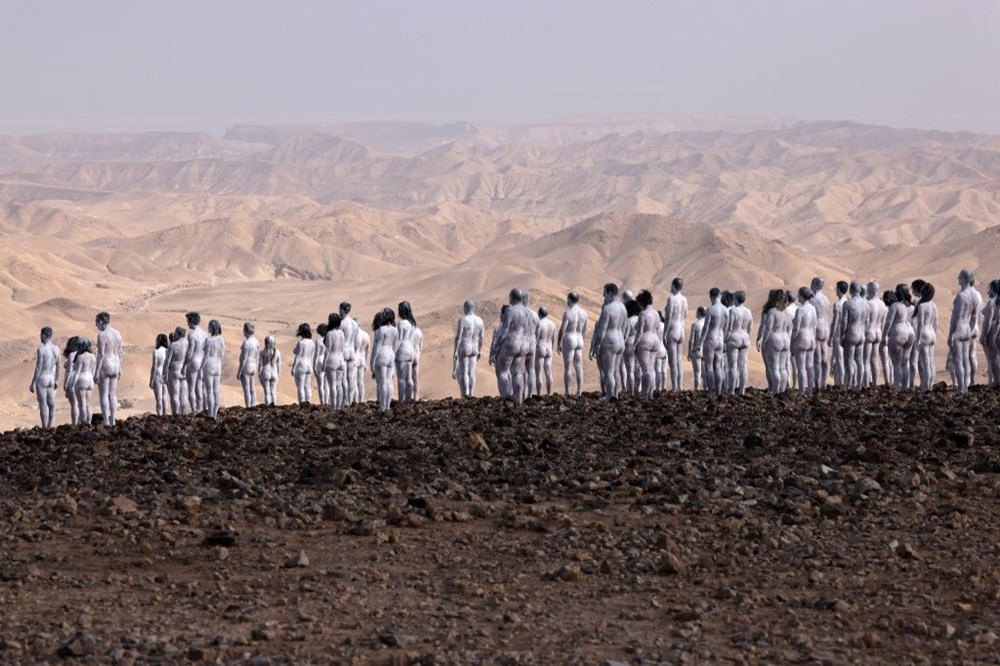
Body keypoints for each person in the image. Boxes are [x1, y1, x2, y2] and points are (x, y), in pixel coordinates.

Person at [492, 289, 537, 405]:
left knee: (502, 371)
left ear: (512, 298)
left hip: (511, 343)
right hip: (524, 345)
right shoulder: (528, 312)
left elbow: (503, 331)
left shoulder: (510, 311)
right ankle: (518, 400)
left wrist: (495, 349)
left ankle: (506, 399)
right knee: (517, 373)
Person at [589, 283, 628, 400]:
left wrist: (596, 345)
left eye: (604, 293)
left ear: (610, 293)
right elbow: (625, 327)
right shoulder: (623, 308)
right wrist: (623, 340)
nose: (603, 296)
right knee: (616, 371)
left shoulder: (607, 309)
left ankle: (609, 396)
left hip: (610, 341)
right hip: (620, 341)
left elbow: (602, 330)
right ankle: (615, 394)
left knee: (609, 371)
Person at [949, 269, 978, 393]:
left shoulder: (962, 296)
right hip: (968, 329)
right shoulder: (975, 296)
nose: (957, 278)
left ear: (964, 279)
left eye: (959, 277)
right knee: (966, 359)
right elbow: (975, 316)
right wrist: (971, 331)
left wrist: (951, 334)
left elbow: (956, 317)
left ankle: (961, 388)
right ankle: (965, 386)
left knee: (958, 360)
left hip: (959, 329)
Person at [758, 289, 792, 393]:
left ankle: (775, 390)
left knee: (774, 367)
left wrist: (764, 342)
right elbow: (790, 328)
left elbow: (768, 328)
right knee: (783, 368)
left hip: (775, 338)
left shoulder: (772, 312)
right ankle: (782, 391)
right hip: (786, 339)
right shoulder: (787, 313)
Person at [885, 284, 917, 391]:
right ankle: (905, 387)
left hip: (898, 332)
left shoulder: (895, 306)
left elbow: (889, 322)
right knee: (905, 363)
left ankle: (898, 388)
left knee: (897, 364)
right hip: (910, 333)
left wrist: (884, 335)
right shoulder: (911, 307)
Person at [95, 311, 123, 426]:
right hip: (116, 364)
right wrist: (120, 367)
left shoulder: (102, 335)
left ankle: (106, 420)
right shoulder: (118, 333)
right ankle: (113, 420)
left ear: (101, 321)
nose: (96, 325)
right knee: (112, 394)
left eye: (96, 322)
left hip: (106, 364)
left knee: (104, 394)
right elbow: (120, 352)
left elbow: (101, 354)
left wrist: (96, 372)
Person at [557, 291, 588, 396]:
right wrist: (582, 339)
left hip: (570, 338)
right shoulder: (584, 313)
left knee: (568, 366)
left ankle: (567, 391)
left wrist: (558, 343)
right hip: (579, 338)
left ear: (569, 300)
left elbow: (563, 329)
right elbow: (585, 330)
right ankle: (579, 391)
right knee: (579, 366)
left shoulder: (568, 313)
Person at [453, 300, 485, 398]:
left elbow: (458, 337)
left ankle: (465, 394)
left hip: (465, 346)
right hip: (475, 347)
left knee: (464, 372)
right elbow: (482, 337)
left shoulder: (463, 320)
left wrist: (455, 351)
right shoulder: (480, 321)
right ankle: (471, 393)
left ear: (465, 308)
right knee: (472, 372)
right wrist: (480, 349)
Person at [699, 288, 729, 397]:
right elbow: (726, 327)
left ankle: (711, 392)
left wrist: (699, 343)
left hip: (711, 338)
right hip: (720, 339)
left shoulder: (710, 310)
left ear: (711, 297)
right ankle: (719, 391)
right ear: (720, 296)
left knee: (709, 366)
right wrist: (724, 339)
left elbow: (706, 328)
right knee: (718, 366)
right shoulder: (726, 310)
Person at [30, 326, 61, 428]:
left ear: (44, 335)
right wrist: (56, 379)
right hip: (51, 378)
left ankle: (44, 427)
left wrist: (33, 382)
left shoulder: (41, 350)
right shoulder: (56, 349)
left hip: (42, 378)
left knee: (43, 404)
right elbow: (58, 366)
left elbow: (38, 367)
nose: (40, 337)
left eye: (41, 335)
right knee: (51, 404)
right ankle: (51, 425)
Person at [632, 290, 661, 399]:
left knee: (645, 370)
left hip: (646, 340)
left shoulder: (643, 314)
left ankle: (644, 395)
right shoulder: (656, 314)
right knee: (651, 369)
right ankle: (650, 394)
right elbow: (658, 329)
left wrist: (634, 345)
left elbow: (640, 331)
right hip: (655, 340)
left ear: (641, 302)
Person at [791, 287, 818, 396]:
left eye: (799, 294)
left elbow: (796, 328)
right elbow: (815, 326)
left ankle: (802, 391)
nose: (798, 297)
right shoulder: (813, 309)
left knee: (801, 367)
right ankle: (810, 390)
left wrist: (792, 341)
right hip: (811, 337)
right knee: (810, 366)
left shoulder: (800, 310)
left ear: (802, 296)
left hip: (802, 338)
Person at [370, 308, 398, 412]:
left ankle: (382, 406)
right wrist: (393, 355)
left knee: (382, 382)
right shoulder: (395, 330)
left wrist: (372, 362)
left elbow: (376, 347)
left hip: (382, 354)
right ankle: (388, 405)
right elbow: (396, 345)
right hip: (391, 355)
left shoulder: (381, 330)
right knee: (389, 381)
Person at [841, 282, 868, 389]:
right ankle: (859, 385)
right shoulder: (866, 304)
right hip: (862, 334)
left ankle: (848, 384)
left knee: (849, 361)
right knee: (860, 361)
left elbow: (844, 322)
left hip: (852, 333)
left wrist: (842, 335)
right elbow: (867, 321)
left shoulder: (848, 304)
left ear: (850, 291)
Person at [663, 277, 688, 391]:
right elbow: (685, 315)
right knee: (679, 362)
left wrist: (664, 333)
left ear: (673, 286)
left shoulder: (671, 299)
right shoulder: (684, 299)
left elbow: (668, 318)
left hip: (672, 330)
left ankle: (675, 387)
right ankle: (680, 386)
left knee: (672, 363)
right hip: (681, 330)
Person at [725, 291, 753, 395]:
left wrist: (725, 339)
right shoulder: (748, 311)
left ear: (736, 299)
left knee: (732, 366)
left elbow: (729, 328)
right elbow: (750, 327)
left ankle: (732, 390)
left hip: (734, 337)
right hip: (745, 338)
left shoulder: (733, 311)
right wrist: (748, 337)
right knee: (743, 365)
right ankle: (742, 390)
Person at [396, 301, 423, 403]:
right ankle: (409, 399)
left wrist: (393, 352)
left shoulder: (401, 323)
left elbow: (399, 339)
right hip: (411, 351)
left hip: (402, 349)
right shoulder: (413, 324)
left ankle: (401, 400)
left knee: (401, 378)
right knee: (410, 378)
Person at [915, 282, 938, 392]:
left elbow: (920, 324)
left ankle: (925, 387)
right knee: (931, 362)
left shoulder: (922, 306)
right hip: (932, 334)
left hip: (924, 334)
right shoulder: (933, 305)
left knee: (925, 362)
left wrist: (917, 339)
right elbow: (936, 322)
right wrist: (936, 335)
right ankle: (930, 385)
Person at [810, 277, 832, 389]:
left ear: (814, 284)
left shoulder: (812, 299)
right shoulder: (826, 299)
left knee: (817, 358)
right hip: (825, 328)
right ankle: (824, 382)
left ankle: (817, 384)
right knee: (825, 357)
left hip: (817, 327)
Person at [183, 312, 207, 414]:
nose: (187, 323)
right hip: (202, 361)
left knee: (191, 388)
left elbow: (190, 352)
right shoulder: (204, 333)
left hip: (194, 361)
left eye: (188, 321)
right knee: (200, 387)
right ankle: (201, 408)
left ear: (191, 321)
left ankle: (194, 410)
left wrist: (184, 365)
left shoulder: (192, 334)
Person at [864, 281, 886, 387]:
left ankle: (866, 384)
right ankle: (876, 383)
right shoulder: (882, 305)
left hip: (869, 331)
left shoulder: (868, 304)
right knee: (874, 359)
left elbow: (866, 321)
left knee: (866, 360)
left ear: (870, 290)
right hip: (878, 332)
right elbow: (883, 321)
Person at [324, 314, 348, 410]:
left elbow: (328, 349)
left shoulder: (329, 333)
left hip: (332, 359)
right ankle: (338, 406)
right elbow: (342, 347)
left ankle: (333, 406)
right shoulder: (341, 333)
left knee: (332, 385)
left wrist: (324, 363)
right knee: (339, 384)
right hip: (341, 359)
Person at [339, 302, 361, 404]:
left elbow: (339, 340)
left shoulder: (342, 323)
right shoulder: (355, 324)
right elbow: (356, 340)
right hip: (352, 351)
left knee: (343, 377)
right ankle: (351, 399)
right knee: (351, 377)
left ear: (343, 310)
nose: (339, 312)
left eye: (340, 309)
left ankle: (346, 400)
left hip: (344, 351)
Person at [203, 320, 225, 419]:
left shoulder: (208, 340)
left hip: (209, 365)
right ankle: (215, 413)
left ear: (211, 328)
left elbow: (206, 355)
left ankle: (210, 413)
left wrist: (201, 368)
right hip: (218, 365)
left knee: (209, 391)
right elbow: (222, 354)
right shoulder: (221, 339)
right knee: (216, 390)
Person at [72, 338, 96, 426]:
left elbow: (77, 372)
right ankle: (89, 423)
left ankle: (83, 423)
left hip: (82, 378)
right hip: (90, 379)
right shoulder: (93, 356)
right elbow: (94, 370)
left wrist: (72, 384)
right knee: (88, 404)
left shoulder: (80, 357)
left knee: (82, 404)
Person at [533, 306, 557, 396]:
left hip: (540, 347)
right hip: (549, 348)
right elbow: (554, 339)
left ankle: (539, 394)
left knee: (539, 373)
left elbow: (536, 337)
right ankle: (549, 393)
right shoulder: (553, 324)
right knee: (548, 372)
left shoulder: (539, 323)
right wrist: (552, 348)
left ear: (539, 314)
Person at [829, 281, 849, 386]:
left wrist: (830, 337)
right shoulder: (849, 302)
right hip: (848, 333)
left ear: (839, 289)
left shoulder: (838, 304)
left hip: (838, 333)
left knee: (839, 359)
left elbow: (834, 322)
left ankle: (840, 384)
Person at [165, 327, 188, 415]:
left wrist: (165, 372)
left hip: (174, 370)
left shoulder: (173, 345)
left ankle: (176, 414)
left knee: (175, 396)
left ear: (178, 333)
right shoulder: (188, 344)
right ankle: (184, 414)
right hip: (184, 371)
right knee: (184, 395)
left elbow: (167, 361)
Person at [291, 323, 315, 405]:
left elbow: (297, 355)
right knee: (307, 386)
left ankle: (301, 404)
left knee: (300, 386)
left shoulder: (301, 343)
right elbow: (312, 356)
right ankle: (308, 403)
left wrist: (293, 368)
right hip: (309, 365)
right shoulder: (312, 342)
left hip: (302, 365)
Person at [623, 299, 641, 394]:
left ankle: (631, 392)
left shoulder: (628, 321)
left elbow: (625, 335)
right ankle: (638, 389)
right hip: (640, 344)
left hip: (629, 345)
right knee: (639, 369)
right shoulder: (640, 319)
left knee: (630, 370)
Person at [149, 333, 169, 416]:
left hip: (157, 374)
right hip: (165, 374)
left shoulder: (156, 352)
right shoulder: (167, 351)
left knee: (159, 399)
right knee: (164, 397)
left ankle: (159, 415)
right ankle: (165, 414)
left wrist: (151, 380)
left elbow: (154, 366)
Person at [63, 336, 80, 425]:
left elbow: (69, 371)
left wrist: (65, 384)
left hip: (72, 378)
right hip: (82, 379)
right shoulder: (83, 354)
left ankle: (75, 424)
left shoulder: (72, 355)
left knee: (74, 404)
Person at [881, 290, 897, 387]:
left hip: (885, 334)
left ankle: (888, 381)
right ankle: (892, 380)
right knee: (892, 361)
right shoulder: (894, 308)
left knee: (885, 360)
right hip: (892, 335)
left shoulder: (885, 309)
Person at [259, 335, 281, 406]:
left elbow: (260, 365)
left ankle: (267, 406)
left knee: (267, 392)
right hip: (274, 372)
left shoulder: (262, 352)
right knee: (273, 391)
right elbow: (279, 365)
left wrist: (259, 374)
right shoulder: (277, 352)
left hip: (266, 371)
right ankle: (274, 405)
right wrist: (278, 375)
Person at [689, 307, 706, 391]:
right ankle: (705, 390)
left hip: (696, 350)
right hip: (705, 350)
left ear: (699, 313)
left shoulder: (695, 325)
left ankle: (696, 390)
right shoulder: (707, 324)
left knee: (697, 373)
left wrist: (689, 352)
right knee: (705, 373)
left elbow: (691, 340)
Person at [314, 323, 329, 405]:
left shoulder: (318, 341)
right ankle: (326, 401)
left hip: (319, 360)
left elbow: (316, 354)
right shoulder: (329, 340)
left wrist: (314, 365)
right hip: (327, 360)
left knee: (320, 384)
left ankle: (322, 402)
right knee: (326, 385)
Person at [355, 325, 371, 402]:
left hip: (355, 358)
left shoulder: (354, 334)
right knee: (360, 381)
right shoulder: (366, 335)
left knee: (354, 381)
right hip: (362, 359)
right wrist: (366, 363)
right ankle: (361, 400)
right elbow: (368, 350)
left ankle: (355, 400)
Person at [655, 313, 668, 392]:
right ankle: (664, 386)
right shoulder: (665, 325)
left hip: (658, 349)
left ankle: (657, 387)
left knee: (658, 370)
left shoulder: (656, 327)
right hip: (665, 349)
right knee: (664, 370)